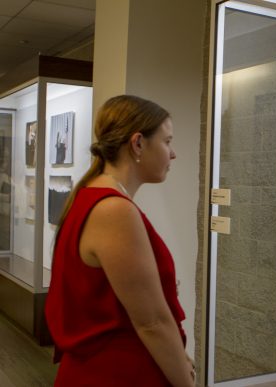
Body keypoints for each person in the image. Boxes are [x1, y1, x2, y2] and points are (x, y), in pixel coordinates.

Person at [45, 95, 195, 386]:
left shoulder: (92, 195)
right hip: (118, 374)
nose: (173, 153)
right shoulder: (114, 210)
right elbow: (151, 322)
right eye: (167, 141)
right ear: (138, 144)